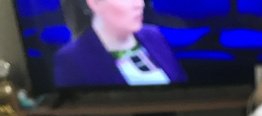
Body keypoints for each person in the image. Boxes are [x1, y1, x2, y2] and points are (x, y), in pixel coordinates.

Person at [54, 0, 188, 88]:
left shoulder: (154, 35)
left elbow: (182, 87)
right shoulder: (70, 59)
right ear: (95, 3)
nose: (139, 4)